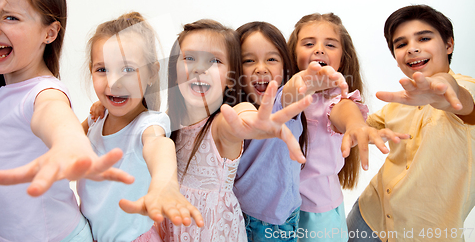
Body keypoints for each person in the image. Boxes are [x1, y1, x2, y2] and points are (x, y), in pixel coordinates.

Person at [0, 0, 132, 242]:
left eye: (10, 17)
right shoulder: (3, 90)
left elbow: (56, 118)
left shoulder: (43, 93)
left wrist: (71, 145)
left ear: (50, 32)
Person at [159, 19, 311, 241]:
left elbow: (240, 116)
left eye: (214, 60)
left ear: (231, 77)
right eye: (189, 58)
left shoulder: (221, 124)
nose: (199, 68)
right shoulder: (169, 122)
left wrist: (252, 122)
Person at [345, 5, 475, 242]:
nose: (412, 48)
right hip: (369, 215)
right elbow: (361, 126)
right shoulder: (399, 103)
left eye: (424, 38)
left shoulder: (466, 89)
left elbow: (463, 101)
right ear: (396, 58)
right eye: (401, 44)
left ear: (448, 45)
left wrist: (447, 86)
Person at [77, 12, 203, 242]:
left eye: (127, 69)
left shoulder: (148, 125)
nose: (113, 81)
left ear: (152, 74)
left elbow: (159, 145)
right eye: (102, 69)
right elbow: (70, 139)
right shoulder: (97, 119)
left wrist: (165, 183)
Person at [287, 13, 407, 241]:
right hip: (281, 208)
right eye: (309, 43)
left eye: (330, 44)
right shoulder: (284, 96)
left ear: (342, 59)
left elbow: (345, 111)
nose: (319, 49)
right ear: (293, 54)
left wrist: (356, 126)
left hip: (317, 213)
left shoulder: (335, 101)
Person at [234, 22, 349, 242]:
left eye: (271, 59)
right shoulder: (236, 108)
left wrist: (303, 82)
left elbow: (290, 92)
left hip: (276, 223)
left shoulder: (282, 103)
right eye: (248, 61)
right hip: (238, 216)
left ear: (285, 68)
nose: (260, 68)